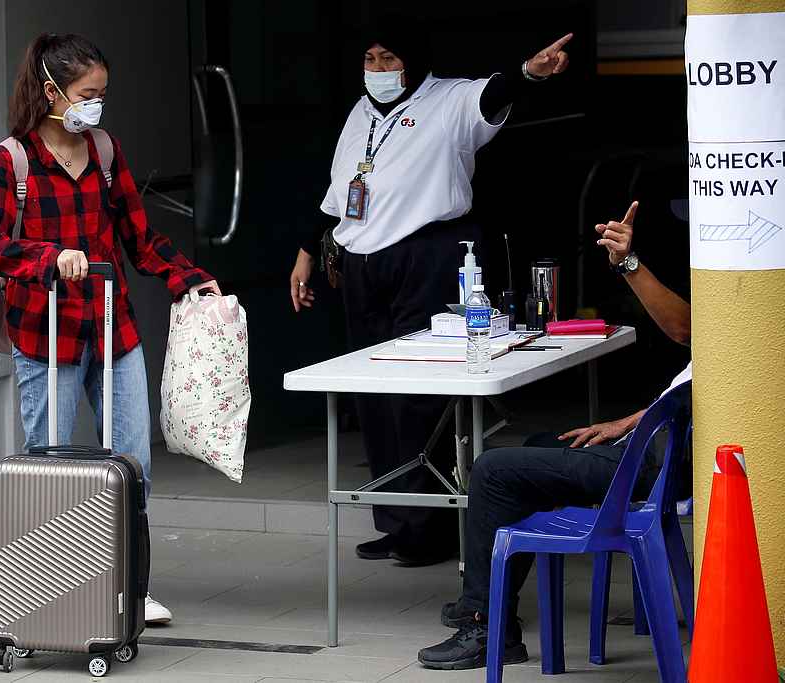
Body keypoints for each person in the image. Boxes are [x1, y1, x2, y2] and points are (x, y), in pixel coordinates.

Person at [289, 17, 573, 567]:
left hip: (428, 257)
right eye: (370, 60)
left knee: (418, 394)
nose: (379, 70)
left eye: (389, 59)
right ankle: (395, 517)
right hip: (362, 261)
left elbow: (496, 93)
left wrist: (528, 73)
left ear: (413, 58)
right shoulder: (360, 112)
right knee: (371, 391)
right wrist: (307, 251)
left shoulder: (452, 101)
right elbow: (337, 193)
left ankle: (430, 527)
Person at [0, 33, 220, 625]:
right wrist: (47, 257)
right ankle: (49, 597)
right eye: (87, 93)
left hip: (113, 329)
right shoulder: (12, 159)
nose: (96, 105)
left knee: (131, 464)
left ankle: (129, 589)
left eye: (102, 94)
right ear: (51, 91)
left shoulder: (105, 151)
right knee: (50, 465)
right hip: (45, 331)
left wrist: (189, 277)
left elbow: (138, 237)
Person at [418, 201, 693, 669]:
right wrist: (629, 421)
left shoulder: (740, 312)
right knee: (538, 448)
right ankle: (486, 604)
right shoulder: (747, 313)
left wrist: (628, 263)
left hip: (650, 465)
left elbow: (684, 329)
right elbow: (690, 385)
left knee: (492, 470)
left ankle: (486, 626)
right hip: (652, 450)